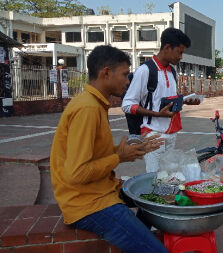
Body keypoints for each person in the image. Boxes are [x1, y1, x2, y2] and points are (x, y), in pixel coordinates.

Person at [50, 45, 168, 253]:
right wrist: (119, 157)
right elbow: (77, 173)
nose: (127, 81)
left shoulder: (95, 104)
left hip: (102, 190)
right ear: (106, 73)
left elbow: (93, 155)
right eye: (124, 75)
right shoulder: (87, 108)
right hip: (89, 204)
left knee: (157, 196)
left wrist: (130, 150)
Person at [121, 27, 200, 174]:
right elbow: (127, 104)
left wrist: (185, 101)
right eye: (180, 52)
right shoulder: (145, 71)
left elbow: (164, 100)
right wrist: (157, 114)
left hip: (171, 132)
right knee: (155, 177)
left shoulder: (172, 71)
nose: (181, 57)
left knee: (167, 175)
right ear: (167, 47)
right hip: (153, 134)